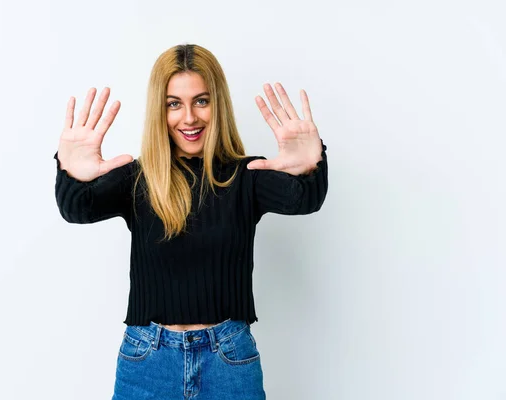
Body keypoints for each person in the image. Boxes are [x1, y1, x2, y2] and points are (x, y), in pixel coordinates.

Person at [53, 44, 328, 399]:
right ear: (159, 109)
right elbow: (78, 209)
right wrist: (71, 171)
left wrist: (310, 163)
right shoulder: (139, 178)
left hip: (229, 361)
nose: (189, 118)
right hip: (148, 361)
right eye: (173, 104)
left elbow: (304, 199)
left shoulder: (246, 176)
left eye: (201, 101)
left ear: (218, 104)